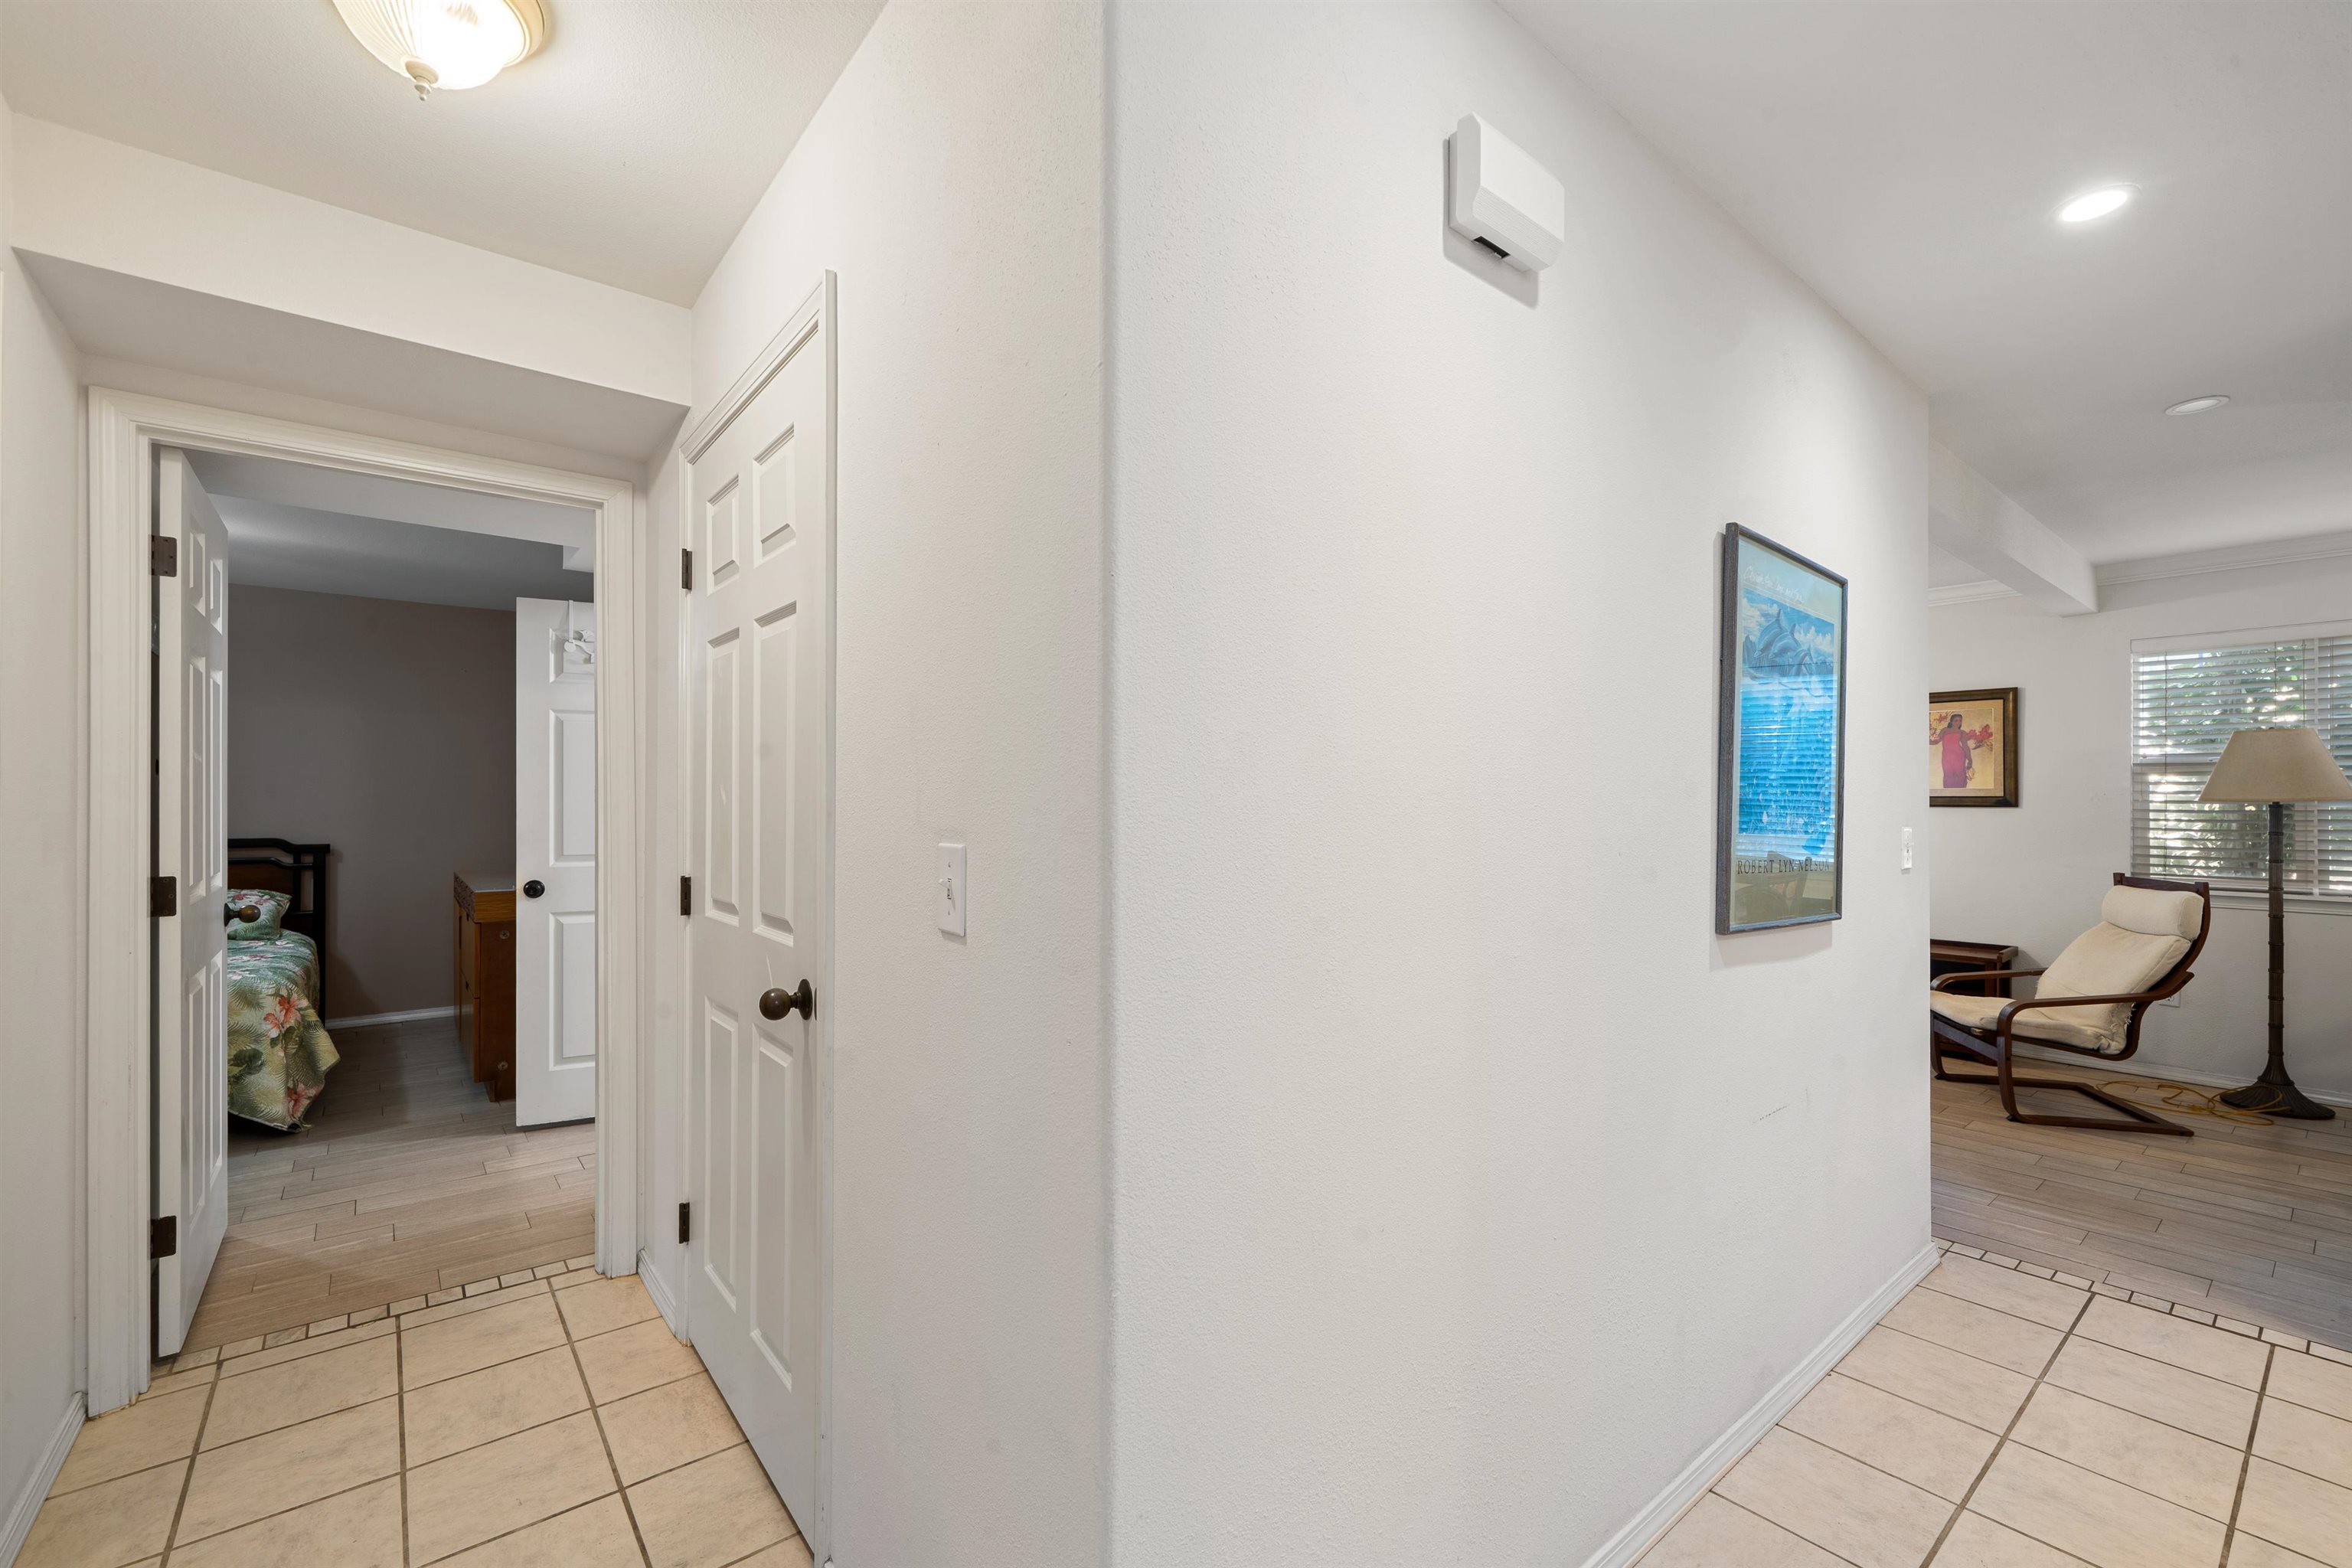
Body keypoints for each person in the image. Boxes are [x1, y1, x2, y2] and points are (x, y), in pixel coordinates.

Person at [1934, 711, 1994, 790]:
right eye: (1956, 720)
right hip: (1947, 757)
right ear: (1951, 722)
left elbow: (1966, 747)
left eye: (1960, 721)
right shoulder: (1945, 730)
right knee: (1948, 775)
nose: (1959, 722)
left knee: (1960, 775)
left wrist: (1970, 760)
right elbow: (1936, 741)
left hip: (1959, 757)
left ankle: (1960, 794)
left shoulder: (1962, 733)